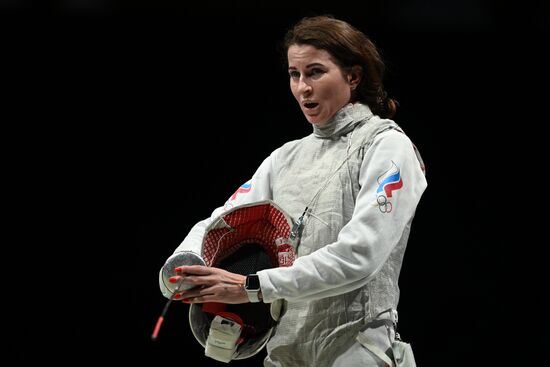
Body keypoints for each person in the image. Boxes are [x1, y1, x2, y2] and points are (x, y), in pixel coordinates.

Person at [159, 15, 427, 367]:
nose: (303, 87)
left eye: (315, 72)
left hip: (357, 349)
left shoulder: (386, 146)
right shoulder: (284, 159)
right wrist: (186, 266)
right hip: (285, 352)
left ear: (353, 76)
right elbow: (218, 224)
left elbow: (360, 255)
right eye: (294, 74)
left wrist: (251, 286)